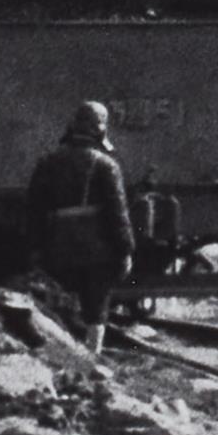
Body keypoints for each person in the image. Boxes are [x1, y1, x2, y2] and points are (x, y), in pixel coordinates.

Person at [24, 99, 135, 353]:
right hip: (98, 252)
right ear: (101, 130)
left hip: (58, 247)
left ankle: (58, 351)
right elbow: (118, 215)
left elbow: (33, 211)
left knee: (59, 302)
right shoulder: (107, 166)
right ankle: (91, 358)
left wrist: (36, 248)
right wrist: (125, 250)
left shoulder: (47, 163)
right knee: (96, 307)